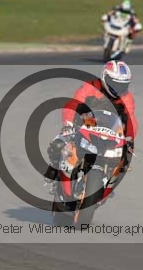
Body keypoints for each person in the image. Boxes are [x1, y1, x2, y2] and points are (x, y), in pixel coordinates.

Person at [44, 60, 138, 192]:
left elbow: (131, 119)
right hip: (82, 125)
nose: (118, 88)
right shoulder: (91, 87)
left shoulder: (126, 97)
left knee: (124, 160)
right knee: (57, 145)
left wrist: (129, 138)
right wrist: (68, 124)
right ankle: (55, 169)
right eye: (115, 83)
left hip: (109, 132)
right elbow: (73, 104)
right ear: (105, 77)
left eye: (123, 85)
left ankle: (108, 183)